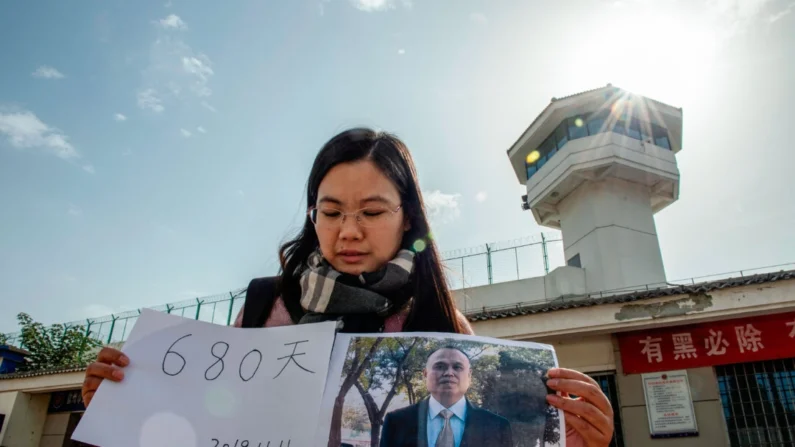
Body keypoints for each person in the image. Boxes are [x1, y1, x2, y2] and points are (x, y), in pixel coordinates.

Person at [80, 128, 615, 446]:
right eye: (330, 211)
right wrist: (121, 408)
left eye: (372, 211)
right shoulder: (264, 309)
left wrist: (581, 438)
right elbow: (207, 425)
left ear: (408, 219)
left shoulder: (447, 328)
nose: (349, 230)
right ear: (313, 215)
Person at [380, 346, 512, 447]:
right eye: (440, 366)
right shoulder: (396, 422)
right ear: (425, 374)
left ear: (469, 376)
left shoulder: (497, 426)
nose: (449, 373)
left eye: (457, 367)